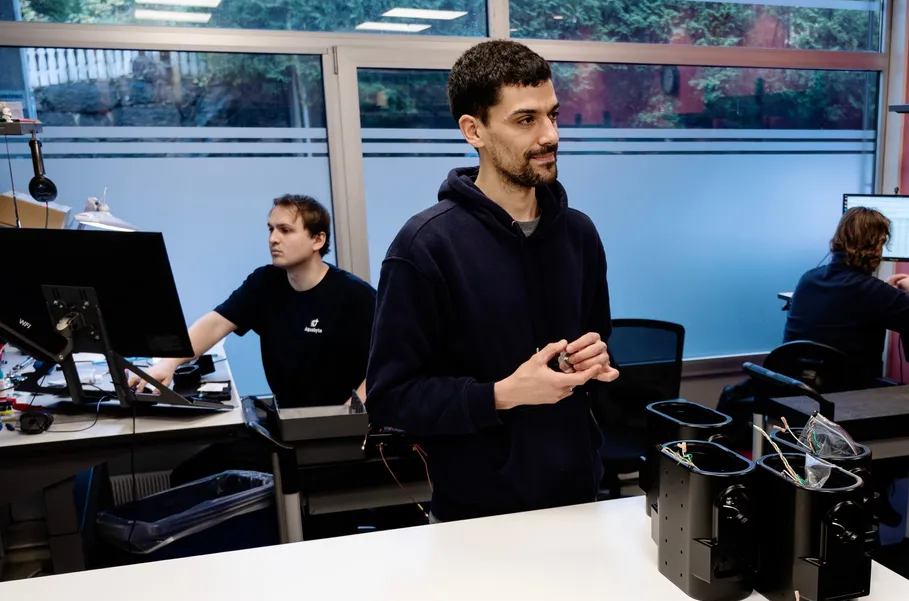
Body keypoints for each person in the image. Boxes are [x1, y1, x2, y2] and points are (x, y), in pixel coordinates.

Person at [365, 40, 619, 523]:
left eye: (553, 115)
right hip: (477, 518)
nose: (550, 136)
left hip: (579, 499)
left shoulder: (579, 234)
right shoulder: (425, 246)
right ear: (473, 130)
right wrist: (503, 393)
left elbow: (599, 344)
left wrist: (597, 360)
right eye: (526, 120)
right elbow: (390, 399)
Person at [131, 194, 375, 409]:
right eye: (271, 229)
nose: (273, 239)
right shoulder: (265, 283)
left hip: (339, 425)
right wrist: (169, 363)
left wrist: (349, 416)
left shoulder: (355, 295)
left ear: (317, 240)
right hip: (288, 420)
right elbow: (215, 324)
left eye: (285, 230)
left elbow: (387, 361)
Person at [783, 205, 909, 384]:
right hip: (850, 392)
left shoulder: (808, 279)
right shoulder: (871, 291)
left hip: (797, 388)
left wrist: (885, 291)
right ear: (875, 247)